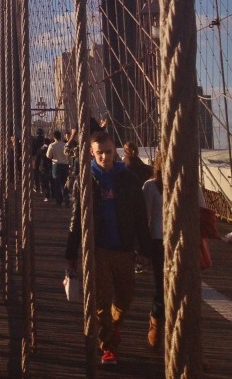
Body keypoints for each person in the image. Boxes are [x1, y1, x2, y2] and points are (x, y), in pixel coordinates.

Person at [65, 129, 152, 366]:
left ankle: (113, 327)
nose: (105, 157)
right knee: (101, 301)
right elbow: (76, 218)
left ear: (116, 151)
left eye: (109, 152)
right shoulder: (84, 179)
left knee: (125, 298)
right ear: (92, 153)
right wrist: (71, 254)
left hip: (124, 248)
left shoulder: (130, 179)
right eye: (100, 153)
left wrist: (144, 250)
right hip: (98, 248)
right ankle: (108, 347)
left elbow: (140, 217)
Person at [142, 153, 164, 350]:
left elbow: (201, 212)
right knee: (162, 289)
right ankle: (156, 320)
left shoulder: (191, 184)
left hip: (185, 244)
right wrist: (143, 250)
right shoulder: (151, 186)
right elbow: (145, 218)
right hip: (159, 243)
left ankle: (188, 341)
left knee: (187, 290)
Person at [45, 129, 71, 206]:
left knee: (57, 183)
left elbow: (48, 156)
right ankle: (66, 200)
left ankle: (59, 201)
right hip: (65, 165)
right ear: (61, 136)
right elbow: (69, 155)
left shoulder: (52, 145)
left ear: (54, 137)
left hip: (56, 165)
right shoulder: (65, 145)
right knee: (65, 184)